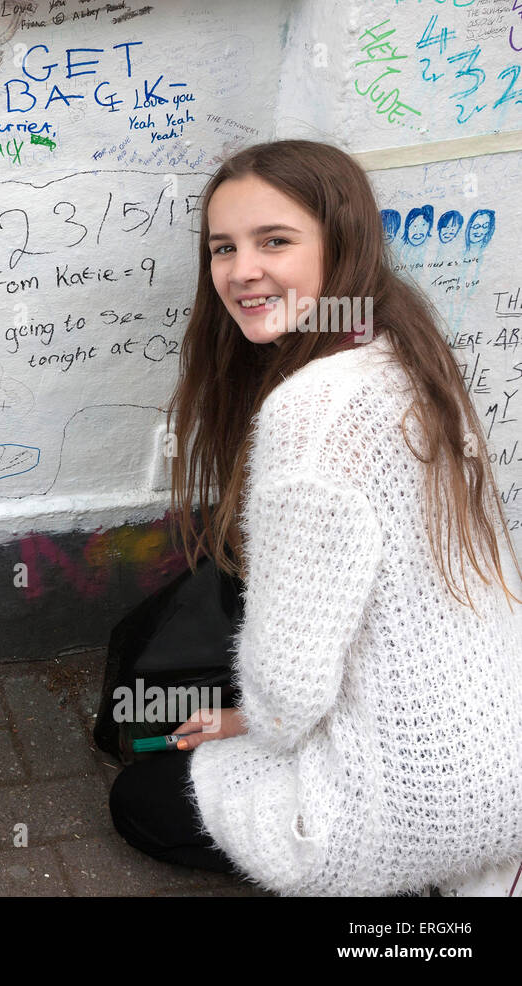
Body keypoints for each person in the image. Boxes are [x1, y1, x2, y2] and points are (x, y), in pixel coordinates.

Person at [108, 140, 522, 896]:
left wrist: (247, 725)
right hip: (506, 755)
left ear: (344, 243)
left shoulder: (313, 413)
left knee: (140, 800)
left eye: (275, 241)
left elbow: (289, 685)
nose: (240, 271)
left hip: (412, 806)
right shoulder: (410, 350)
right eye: (223, 248)